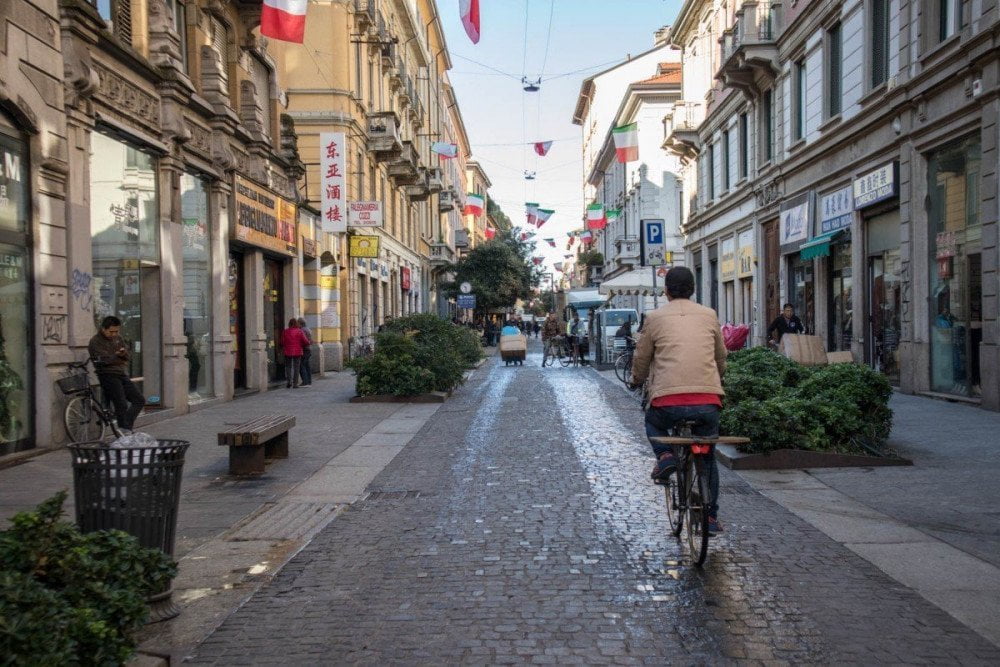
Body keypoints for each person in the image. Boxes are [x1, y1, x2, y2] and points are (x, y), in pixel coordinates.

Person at [630, 266, 728, 536]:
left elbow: (642, 358)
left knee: (652, 422)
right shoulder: (709, 315)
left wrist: (636, 380)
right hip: (708, 401)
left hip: (668, 402)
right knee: (707, 458)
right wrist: (716, 378)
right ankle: (710, 518)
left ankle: (664, 456)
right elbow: (721, 357)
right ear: (694, 289)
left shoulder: (654, 318)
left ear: (667, 291)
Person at [88, 316, 145, 431]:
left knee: (139, 400)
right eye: (111, 331)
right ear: (103, 329)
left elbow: (127, 356)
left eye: (116, 331)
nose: (114, 334)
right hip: (107, 375)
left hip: (121, 373)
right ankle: (125, 431)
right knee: (121, 404)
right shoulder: (95, 341)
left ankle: (125, 427)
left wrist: (121, 355)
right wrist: (117, 356)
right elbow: (103, 361)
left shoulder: (118, 338)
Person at [281, 318, 311, 388]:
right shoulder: (299, 331)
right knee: (296, 367)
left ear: (289, 324)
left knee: (288, 366)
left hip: (287, 351)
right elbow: (305, 341)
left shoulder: (285, 331)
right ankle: (295, 383)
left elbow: (282, 342)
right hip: (297, 351)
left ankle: (289, 382)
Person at [296, 317, 313, 387]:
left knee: (301, 365)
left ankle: (305, 382)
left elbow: (303, 341)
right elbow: (310, 340)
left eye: (298, 323)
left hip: (304, 349)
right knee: (307, 365)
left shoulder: (302, 330)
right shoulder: (308, 329)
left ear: (300, 323)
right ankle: (309, 381)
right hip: (308, 349)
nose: (297, 324)